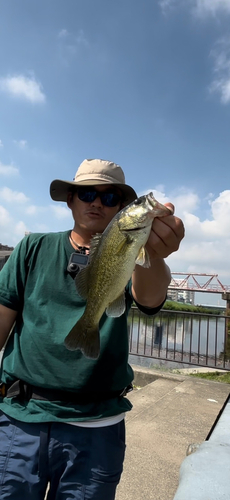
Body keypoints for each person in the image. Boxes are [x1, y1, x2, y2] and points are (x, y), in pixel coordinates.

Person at [0, 158, 184, 500]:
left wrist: (156, 254)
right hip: (20, 417)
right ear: (70, 199)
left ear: (121, 209)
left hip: (98, 426)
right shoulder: (32, 248)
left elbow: (150, 297)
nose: (97, 202)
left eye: (111, 197)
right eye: (86, 193)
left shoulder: (136, 252)